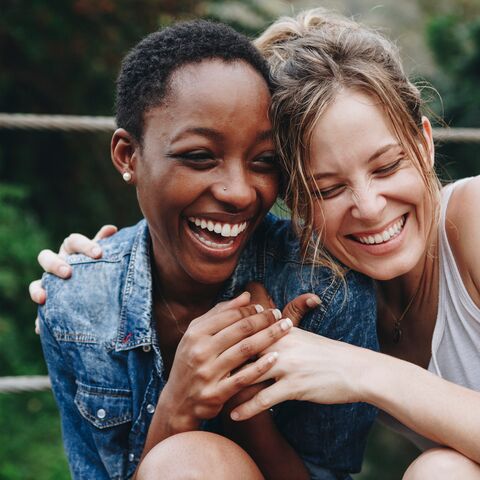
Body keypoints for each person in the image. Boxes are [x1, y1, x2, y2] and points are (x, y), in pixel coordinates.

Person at [38, 9, 480, 479]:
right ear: (294, 199)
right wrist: (100, 270)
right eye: (327, 189)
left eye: (388, 166)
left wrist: (363, 371)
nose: (370, 208)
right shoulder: (333, 282)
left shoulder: (471, 221)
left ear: (425, 144)